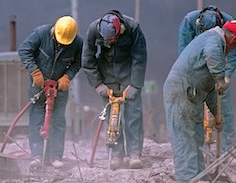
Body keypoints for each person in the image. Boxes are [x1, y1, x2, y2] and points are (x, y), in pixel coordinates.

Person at [164, 20, 236, 183]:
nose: (233, 50)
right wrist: (220, 76)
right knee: (184, 135)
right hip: (182, 91)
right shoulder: (213, 40)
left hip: (193, 95)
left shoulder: (217, 47)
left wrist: (217, 115)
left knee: (196, 136)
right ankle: (187, 179)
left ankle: (199, 176)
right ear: (234, 40)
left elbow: (210, 91)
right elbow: (213, 61)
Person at [82, 10, 147, 170]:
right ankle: (117, 154)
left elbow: (140, 58)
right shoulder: (93, 30)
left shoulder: (133, 28)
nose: (110, 42)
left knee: (133, 116)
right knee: (112, 116)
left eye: (113, 39)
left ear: (120, 31)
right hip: (107, 76)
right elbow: (87, 60)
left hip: (128, 75)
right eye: (107, 40)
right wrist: (98, 85)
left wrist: (135, 85)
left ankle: (134, 154)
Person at [18, 16, 82, 168]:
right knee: (36, 119)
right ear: (54, 30)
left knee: (58, 120)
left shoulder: (77, 42)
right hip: (38, 84)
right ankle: (37, 155)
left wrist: (68, 76)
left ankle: (55, 157)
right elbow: (24, 51)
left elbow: (77, 62)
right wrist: (35, 72)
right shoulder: (40, 34)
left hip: (60, 86)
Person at [178, 5, 236, 153]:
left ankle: (227, 148)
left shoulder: (230, 23)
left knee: (224, 106)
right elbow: (183, 51)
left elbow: (233, 54)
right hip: (197, 68)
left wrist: (225, 77)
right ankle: (195, 149)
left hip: (219, 67)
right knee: (192, 106)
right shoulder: (189, 21)